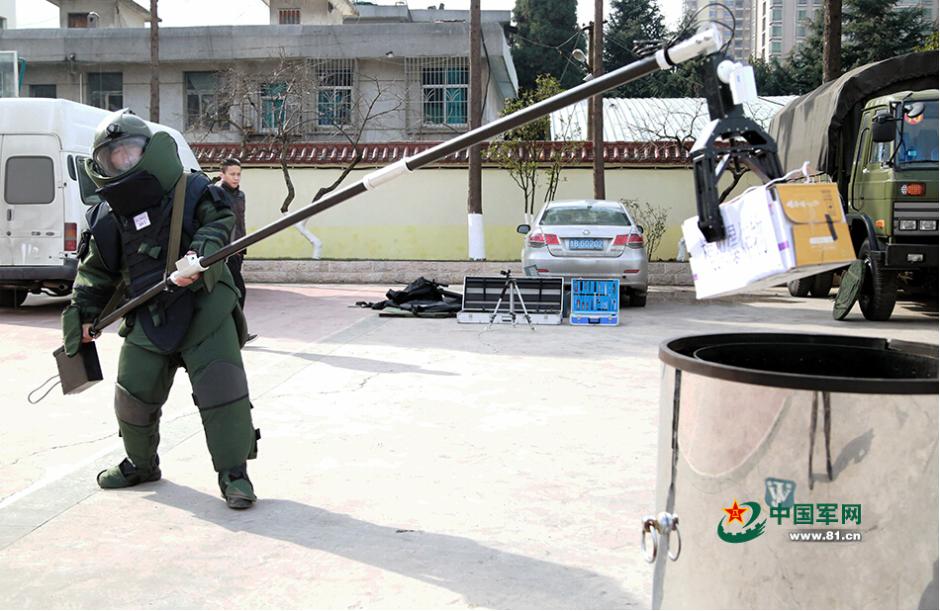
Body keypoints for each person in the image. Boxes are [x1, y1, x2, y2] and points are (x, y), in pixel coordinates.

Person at [61, 109, 260, 509]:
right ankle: (140, 463)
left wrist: (198, 257)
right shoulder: (105, 214)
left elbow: (219, 223)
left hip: (205, 309)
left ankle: (234, 474)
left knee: (224, 393)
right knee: (132, 395)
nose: (123, 162)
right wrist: (83, 312)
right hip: (147, 316)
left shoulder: (196, 190)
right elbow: (96, 271)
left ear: (148, 151)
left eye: (130, 152)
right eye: (112, 157)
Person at [218, 157, 257, 342]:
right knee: (238, 290)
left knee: (234, 290)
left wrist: (243, 246)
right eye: (232, 174)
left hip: (238, 249)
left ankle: (233, 331)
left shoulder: (241, 195)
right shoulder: (216, 193)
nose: (236, 178)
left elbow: (241, 222)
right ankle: (235, 332)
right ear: (222, 174)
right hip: (223, 251)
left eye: (238, 174)